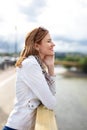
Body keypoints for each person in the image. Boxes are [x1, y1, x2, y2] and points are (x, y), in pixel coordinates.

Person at [2, 27, 57, 130]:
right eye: (49, 41)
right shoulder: (31, 64)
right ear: (36, 46)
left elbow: (52, 94)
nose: (53, 44)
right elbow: (51, 103)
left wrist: (51, 67)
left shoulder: (37, 65)